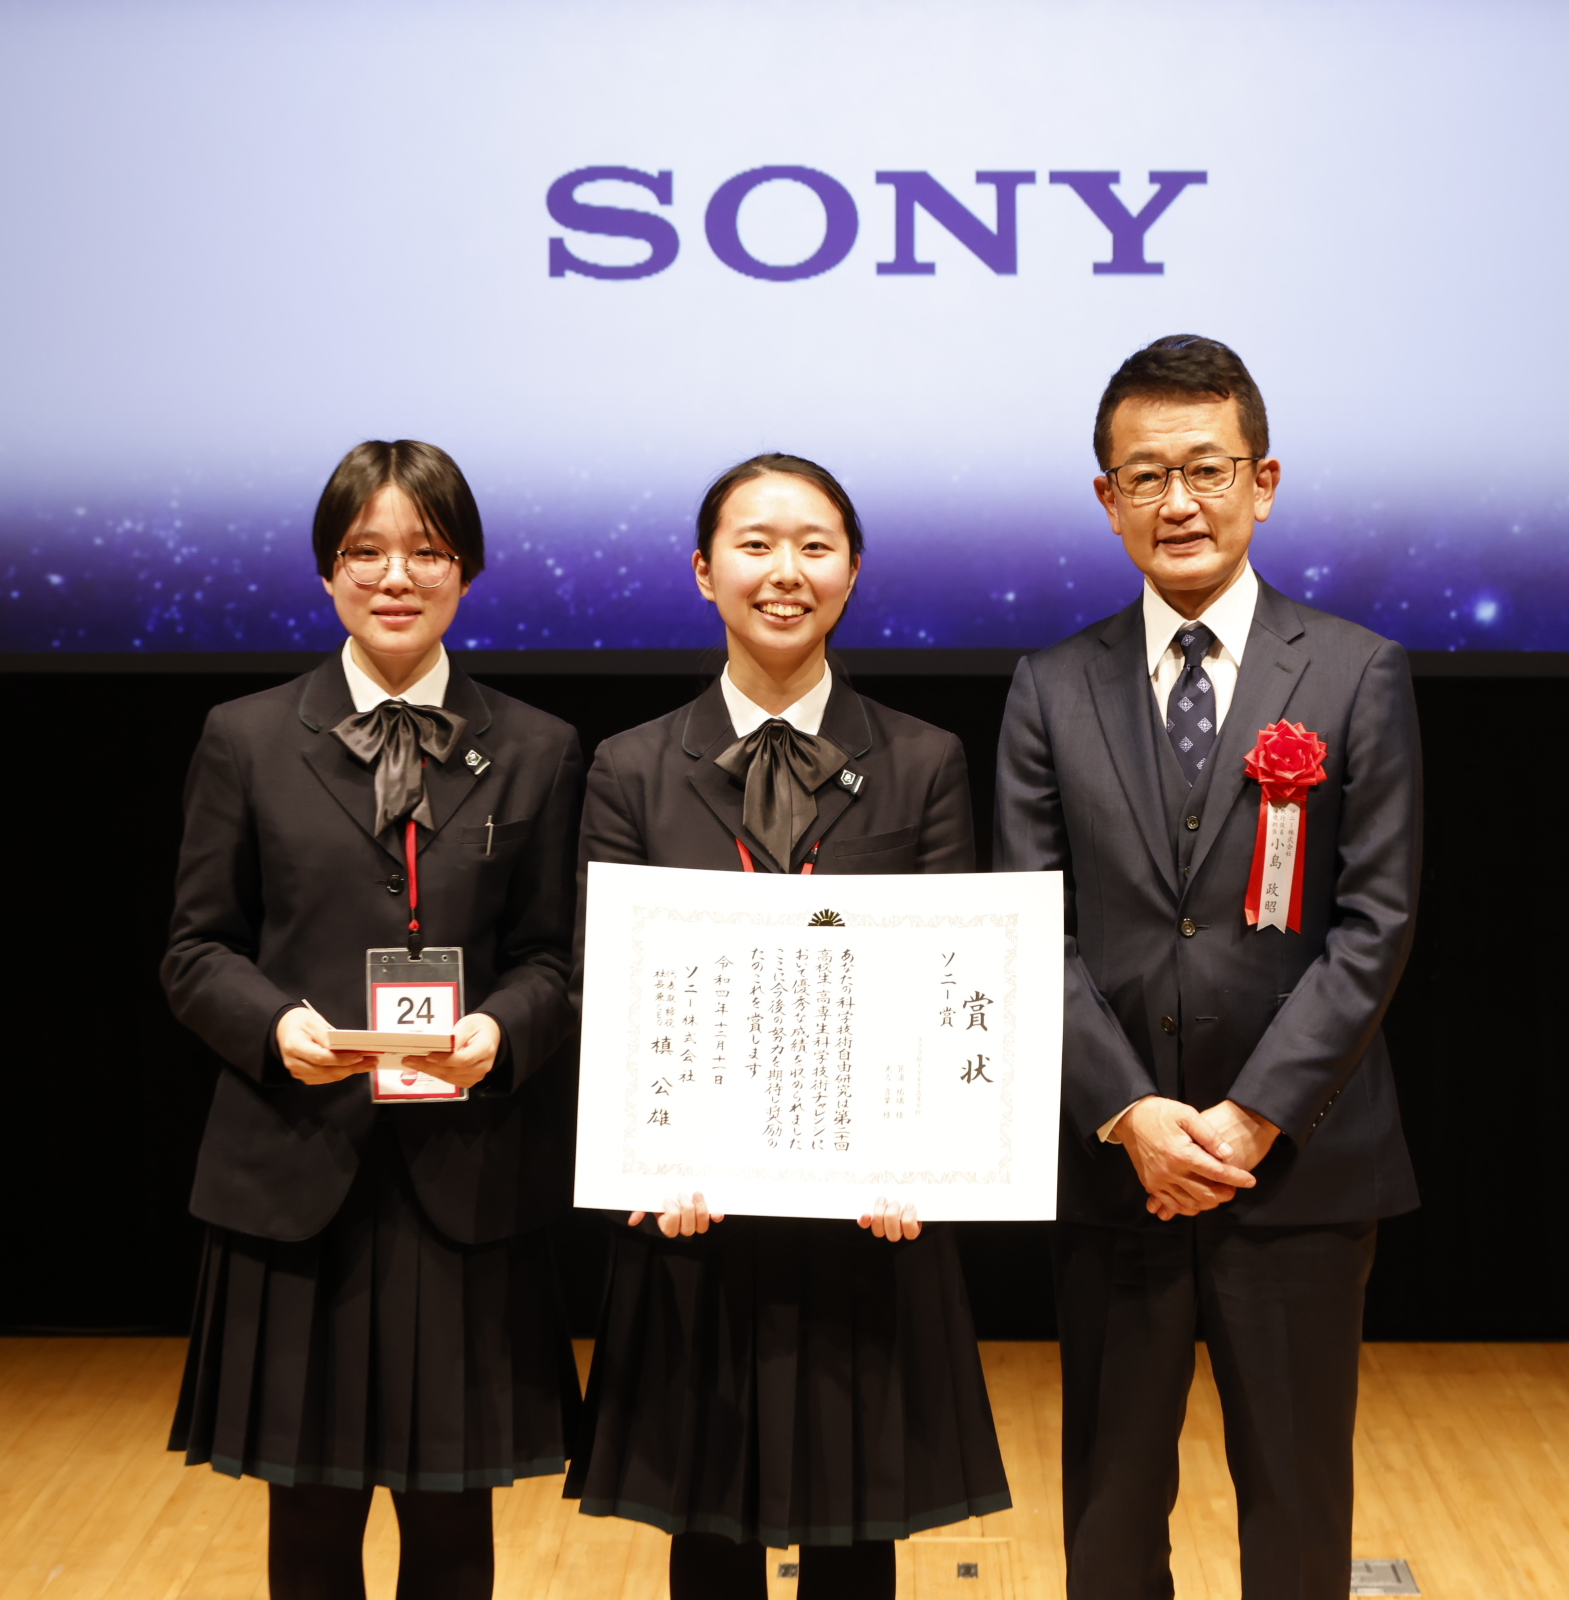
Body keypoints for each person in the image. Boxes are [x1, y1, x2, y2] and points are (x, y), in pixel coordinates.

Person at [993, 337, 1424, 1600]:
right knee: (1110, 1516)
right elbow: (1028, 927)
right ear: (1107, 497)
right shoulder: (1050, 686)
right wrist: (1132, 1113)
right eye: (1146, 475)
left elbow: (1376, 921)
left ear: (1263, 481)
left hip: (1296, 1169)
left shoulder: (1354, 670)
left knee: (1297, 1508)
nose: (1177, 501)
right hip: (1117, 1169)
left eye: (1207, 469)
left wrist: (1248, 1117)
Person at [566, 453, 1011, 1600]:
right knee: (707, 1537)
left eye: (815, 546)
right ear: (703, 570)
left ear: (852, 572)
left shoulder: (923, 761)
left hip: (866, 1224)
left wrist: (921, 1159)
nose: (785, 571)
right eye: (755, 544)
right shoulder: (629, 767)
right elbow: (602, 987)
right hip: (694, 1218)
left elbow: (947, 975)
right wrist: (647, 1156)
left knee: (857, 1542)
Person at [162, 440, 585, 1600]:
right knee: (308, 1522)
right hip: (297, 1176)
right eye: (365, 551)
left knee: (452, 1523)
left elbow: (557, 959)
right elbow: (195, 950)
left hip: (467, 1176)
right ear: (327, 569)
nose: (396, 577)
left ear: (468, 569)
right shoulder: (245, 737)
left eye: (427, 551)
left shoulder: (539, 747)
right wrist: (272, 1028)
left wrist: (503, 1030)